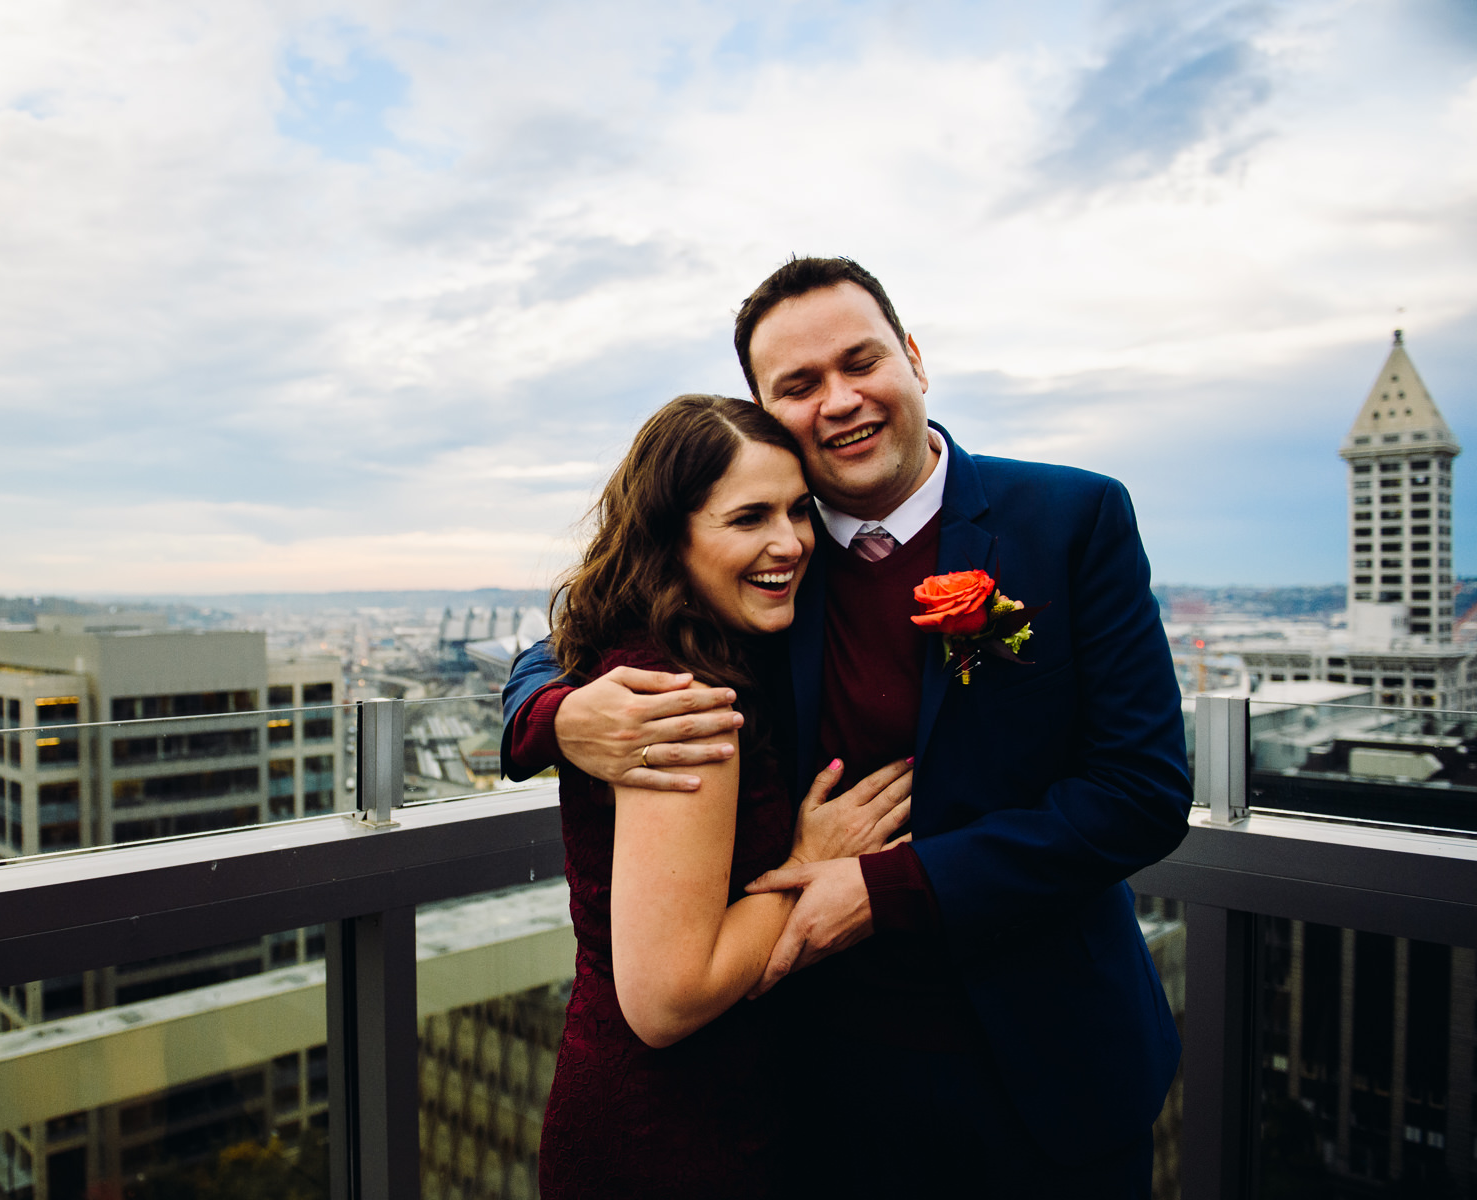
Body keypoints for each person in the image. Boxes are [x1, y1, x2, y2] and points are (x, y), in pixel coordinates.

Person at [505, 258, 1191, 1198]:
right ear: (765, 411)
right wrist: (553, 713)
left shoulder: (1072, 519)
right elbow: (592, 630)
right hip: (826, 1095)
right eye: (798, 385)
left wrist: (887, 887)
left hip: (1047, 1070)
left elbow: (1139, 795)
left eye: (860, 362)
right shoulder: (768, 553)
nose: (840, 401)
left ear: (913, 358)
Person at [533, 393, 913, 1200]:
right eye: (748, 519)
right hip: (676, 1138)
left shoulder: (680, 651)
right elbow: (669, 997)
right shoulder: (685, 703)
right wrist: (814, 860)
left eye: (798, 510)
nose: (791, 542)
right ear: (671, 539)